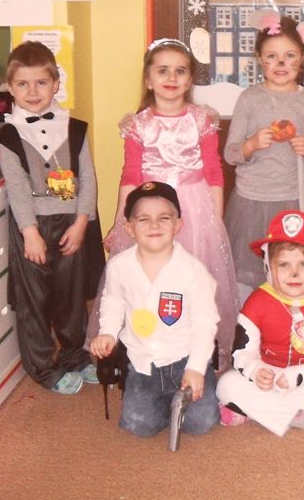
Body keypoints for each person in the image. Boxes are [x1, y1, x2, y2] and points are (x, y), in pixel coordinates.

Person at [88, 39, 238, 363]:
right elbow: (130, 176)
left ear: (190, 80)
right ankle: (148, 345)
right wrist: (119, 222)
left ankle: (196, 349)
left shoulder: (201, 120)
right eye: (163, 70)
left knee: (195, 275)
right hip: (150, 208)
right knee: (147, 277)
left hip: (194, 207)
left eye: (180, 71)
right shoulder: (139, 125)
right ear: (148, 79)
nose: (172, 77)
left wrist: (216, 219)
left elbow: (214, 173)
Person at [0, 41, 104, 395]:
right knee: (34, 299)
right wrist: (30, 233)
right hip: (33, 228)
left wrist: (82, 222)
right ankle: (43, 367)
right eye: (23, 84)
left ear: (56, 83)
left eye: (41, 82)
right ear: (11, 88)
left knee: (72, 295)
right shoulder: (8, 136)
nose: (32, 91)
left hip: (71, 223)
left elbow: (88, 179)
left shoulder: (75, 128)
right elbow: (16, 188)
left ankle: (75, 355)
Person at [89, 182, 220, 437]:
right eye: (143, 219)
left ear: (178, 225)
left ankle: (203, 378)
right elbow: (113, 301)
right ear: (129, 228)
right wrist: (108, 332)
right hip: (143, 362)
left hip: (184, 358)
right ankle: (163, 402)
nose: (154, 225)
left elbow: (205, 323)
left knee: (201, 423)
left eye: (164, 218)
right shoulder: (119, 266)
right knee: (139, 426)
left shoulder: (193, 271)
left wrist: (195, 367)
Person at [216, 210, 304, 434]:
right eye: (283, 265)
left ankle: (255, 410)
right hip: (266, 377)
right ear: (268, 266)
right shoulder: (258, 301)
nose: (294, 273)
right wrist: (256, 370)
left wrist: (296, 377)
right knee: (226, 385)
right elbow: (241, 352)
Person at [224, 15, 304, 305]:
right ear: (259, 59)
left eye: (290, 55)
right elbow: (230, 154)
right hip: (252, 200)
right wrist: (251, 145)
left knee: (295, 268)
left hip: (297, 199)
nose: (281, 63)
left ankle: (293, 321)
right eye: (272, 56)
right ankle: (248, 322)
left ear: (302, 58)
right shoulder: (249, 99)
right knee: (249, 273)